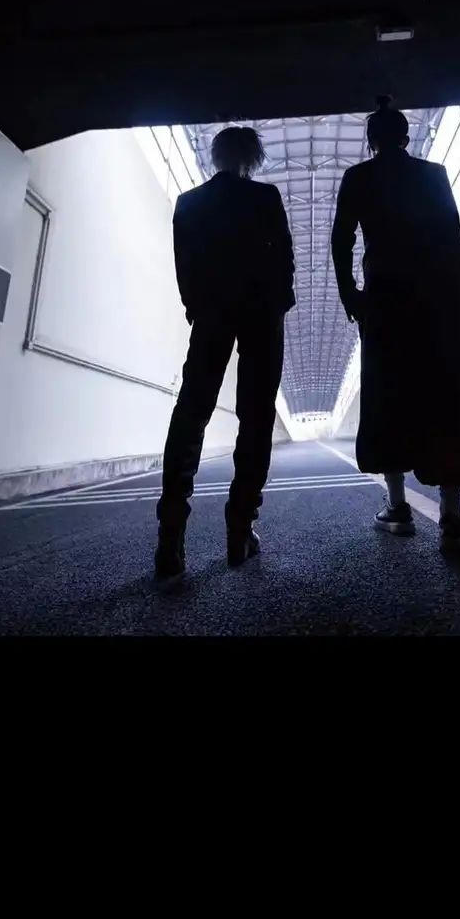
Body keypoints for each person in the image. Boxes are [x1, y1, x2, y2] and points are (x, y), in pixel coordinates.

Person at [331, 95, 460, 549]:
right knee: (449, 395)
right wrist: (456, 299)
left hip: (384, 301)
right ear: (406, 138)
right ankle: (451, 513)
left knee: (388, 395)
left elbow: (342, 239)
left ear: (371, 142)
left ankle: (397, 506)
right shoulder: (433, 175)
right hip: (437, 300)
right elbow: (452, 238)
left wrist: (351, 294)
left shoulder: (358, 177)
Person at [154, 126, 296, 580]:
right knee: (255, 419)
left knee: (191, 412)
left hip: (212, 315)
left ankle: (170, 540)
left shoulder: (189, 203)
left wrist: (196, 307)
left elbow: (184, 264)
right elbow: (285, 258)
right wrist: (279, 302)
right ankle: (240, 531)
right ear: (252, 159)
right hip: (261, 315)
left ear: (215, 158)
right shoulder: (265, 198)